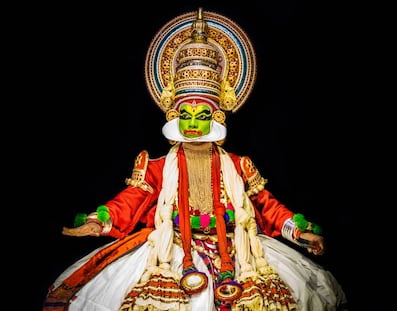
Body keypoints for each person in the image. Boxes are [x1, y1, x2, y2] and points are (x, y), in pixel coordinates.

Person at [43, 8, 348, 311]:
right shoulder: (157, 166)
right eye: (184, 115)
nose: (191, 124)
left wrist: (298, 231)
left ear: (215, 117)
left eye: (201, 115)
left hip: (238, 248)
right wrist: (99, 221)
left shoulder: (239, 165)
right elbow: (130, 200)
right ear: (174, 116)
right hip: (171, 246)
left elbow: (268, 207)